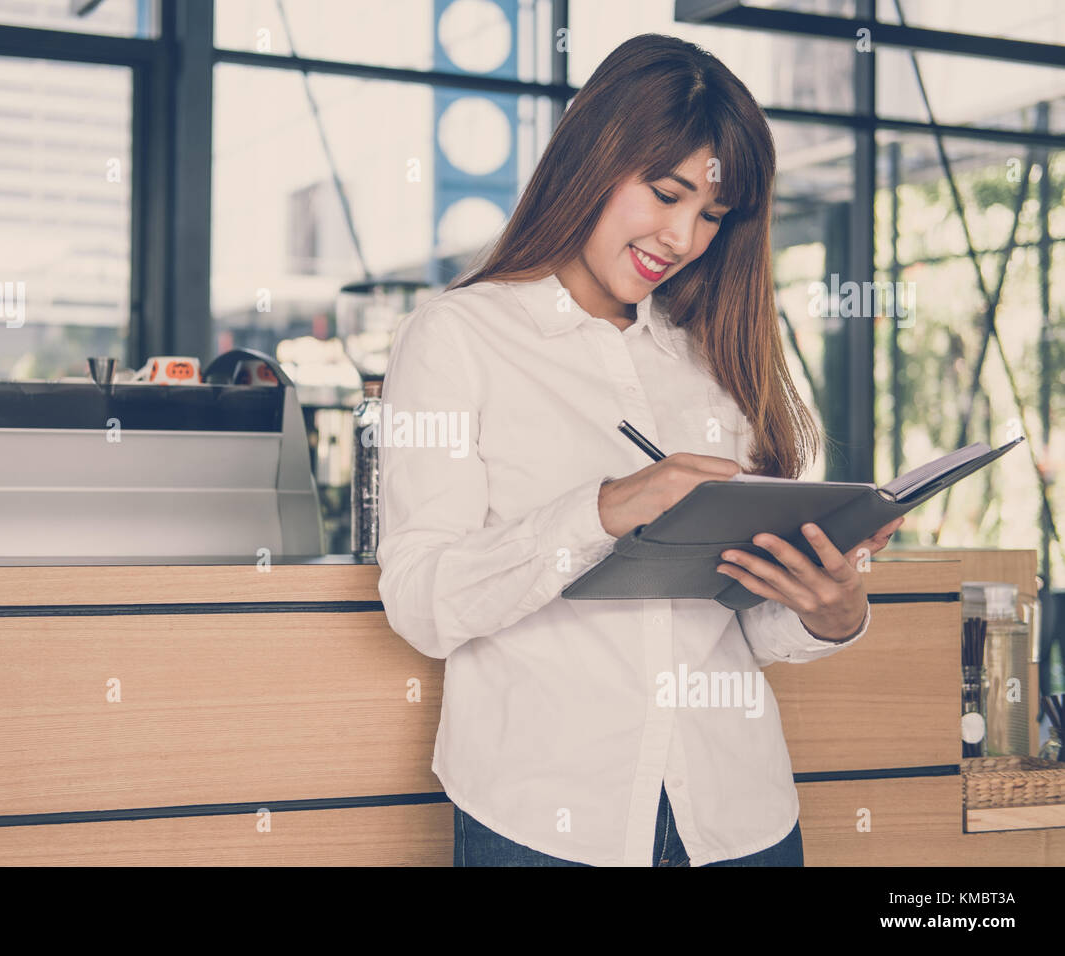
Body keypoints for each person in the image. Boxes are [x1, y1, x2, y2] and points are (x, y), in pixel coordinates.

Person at [374, 33, 903, 867]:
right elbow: (419, 601)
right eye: (666, 193)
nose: (684, 237)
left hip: (738, 816)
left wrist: (831, 613)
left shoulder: (708, 358)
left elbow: (742, 624)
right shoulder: (457, 336)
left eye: (711, 216)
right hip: (547, 817)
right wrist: (602, 509)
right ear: (596, 156)